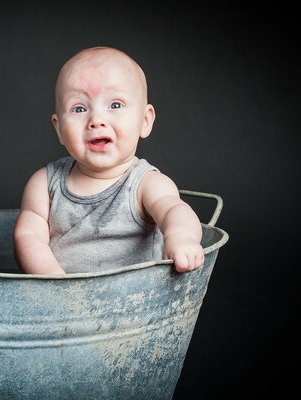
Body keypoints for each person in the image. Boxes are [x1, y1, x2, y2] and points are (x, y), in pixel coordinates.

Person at [13, 46, 204, 275]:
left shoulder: (146, 183)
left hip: (136, 302)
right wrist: (56, 284)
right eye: (79, 108)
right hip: (61, 303)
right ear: (59, 128)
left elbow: (174, 210)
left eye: (115, 105)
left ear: (145, 120)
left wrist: (181, 237)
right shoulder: (44, 183)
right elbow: (28, 237)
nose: (96, 120)